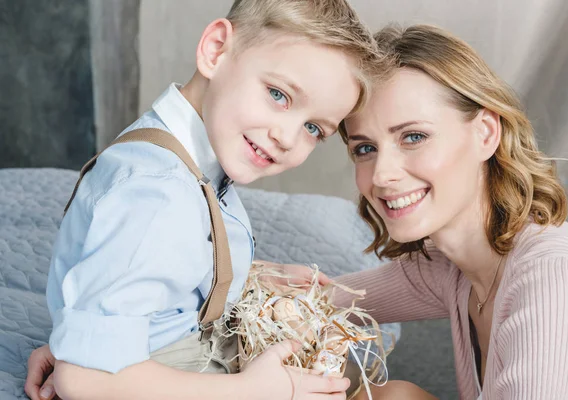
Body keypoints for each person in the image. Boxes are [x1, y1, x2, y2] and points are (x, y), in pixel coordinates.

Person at [24, 1, 383, 399]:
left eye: (314, 128)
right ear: (215, 50)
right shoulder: (159, 197)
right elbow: (83, 378)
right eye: (278, 95)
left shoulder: (176, 152)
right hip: (164, 372)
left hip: (159, 349)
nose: (287, 136)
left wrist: (245, 273)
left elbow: (142, 260)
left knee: (349, 374)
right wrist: (251, 390)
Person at [333, 24, 568, 399]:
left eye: (413, 137)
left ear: (486, 134)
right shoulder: (454, 268)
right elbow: (325, 298)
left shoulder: (554, 281)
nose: (381, 174)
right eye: (365, 149)